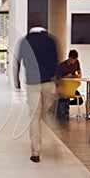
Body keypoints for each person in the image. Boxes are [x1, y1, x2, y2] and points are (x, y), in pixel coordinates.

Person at [13, 12, 59, 163]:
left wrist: (16, 80)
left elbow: (18, 61)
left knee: (34, 117)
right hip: (49, 83)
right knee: (46, 115)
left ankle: (36, 152)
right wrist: (58, 84)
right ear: (42, 22)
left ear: (30, 23)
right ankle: (54, 143)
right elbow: (56, 62)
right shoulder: (51, 40)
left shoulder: (24, 41)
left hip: (32, 84)